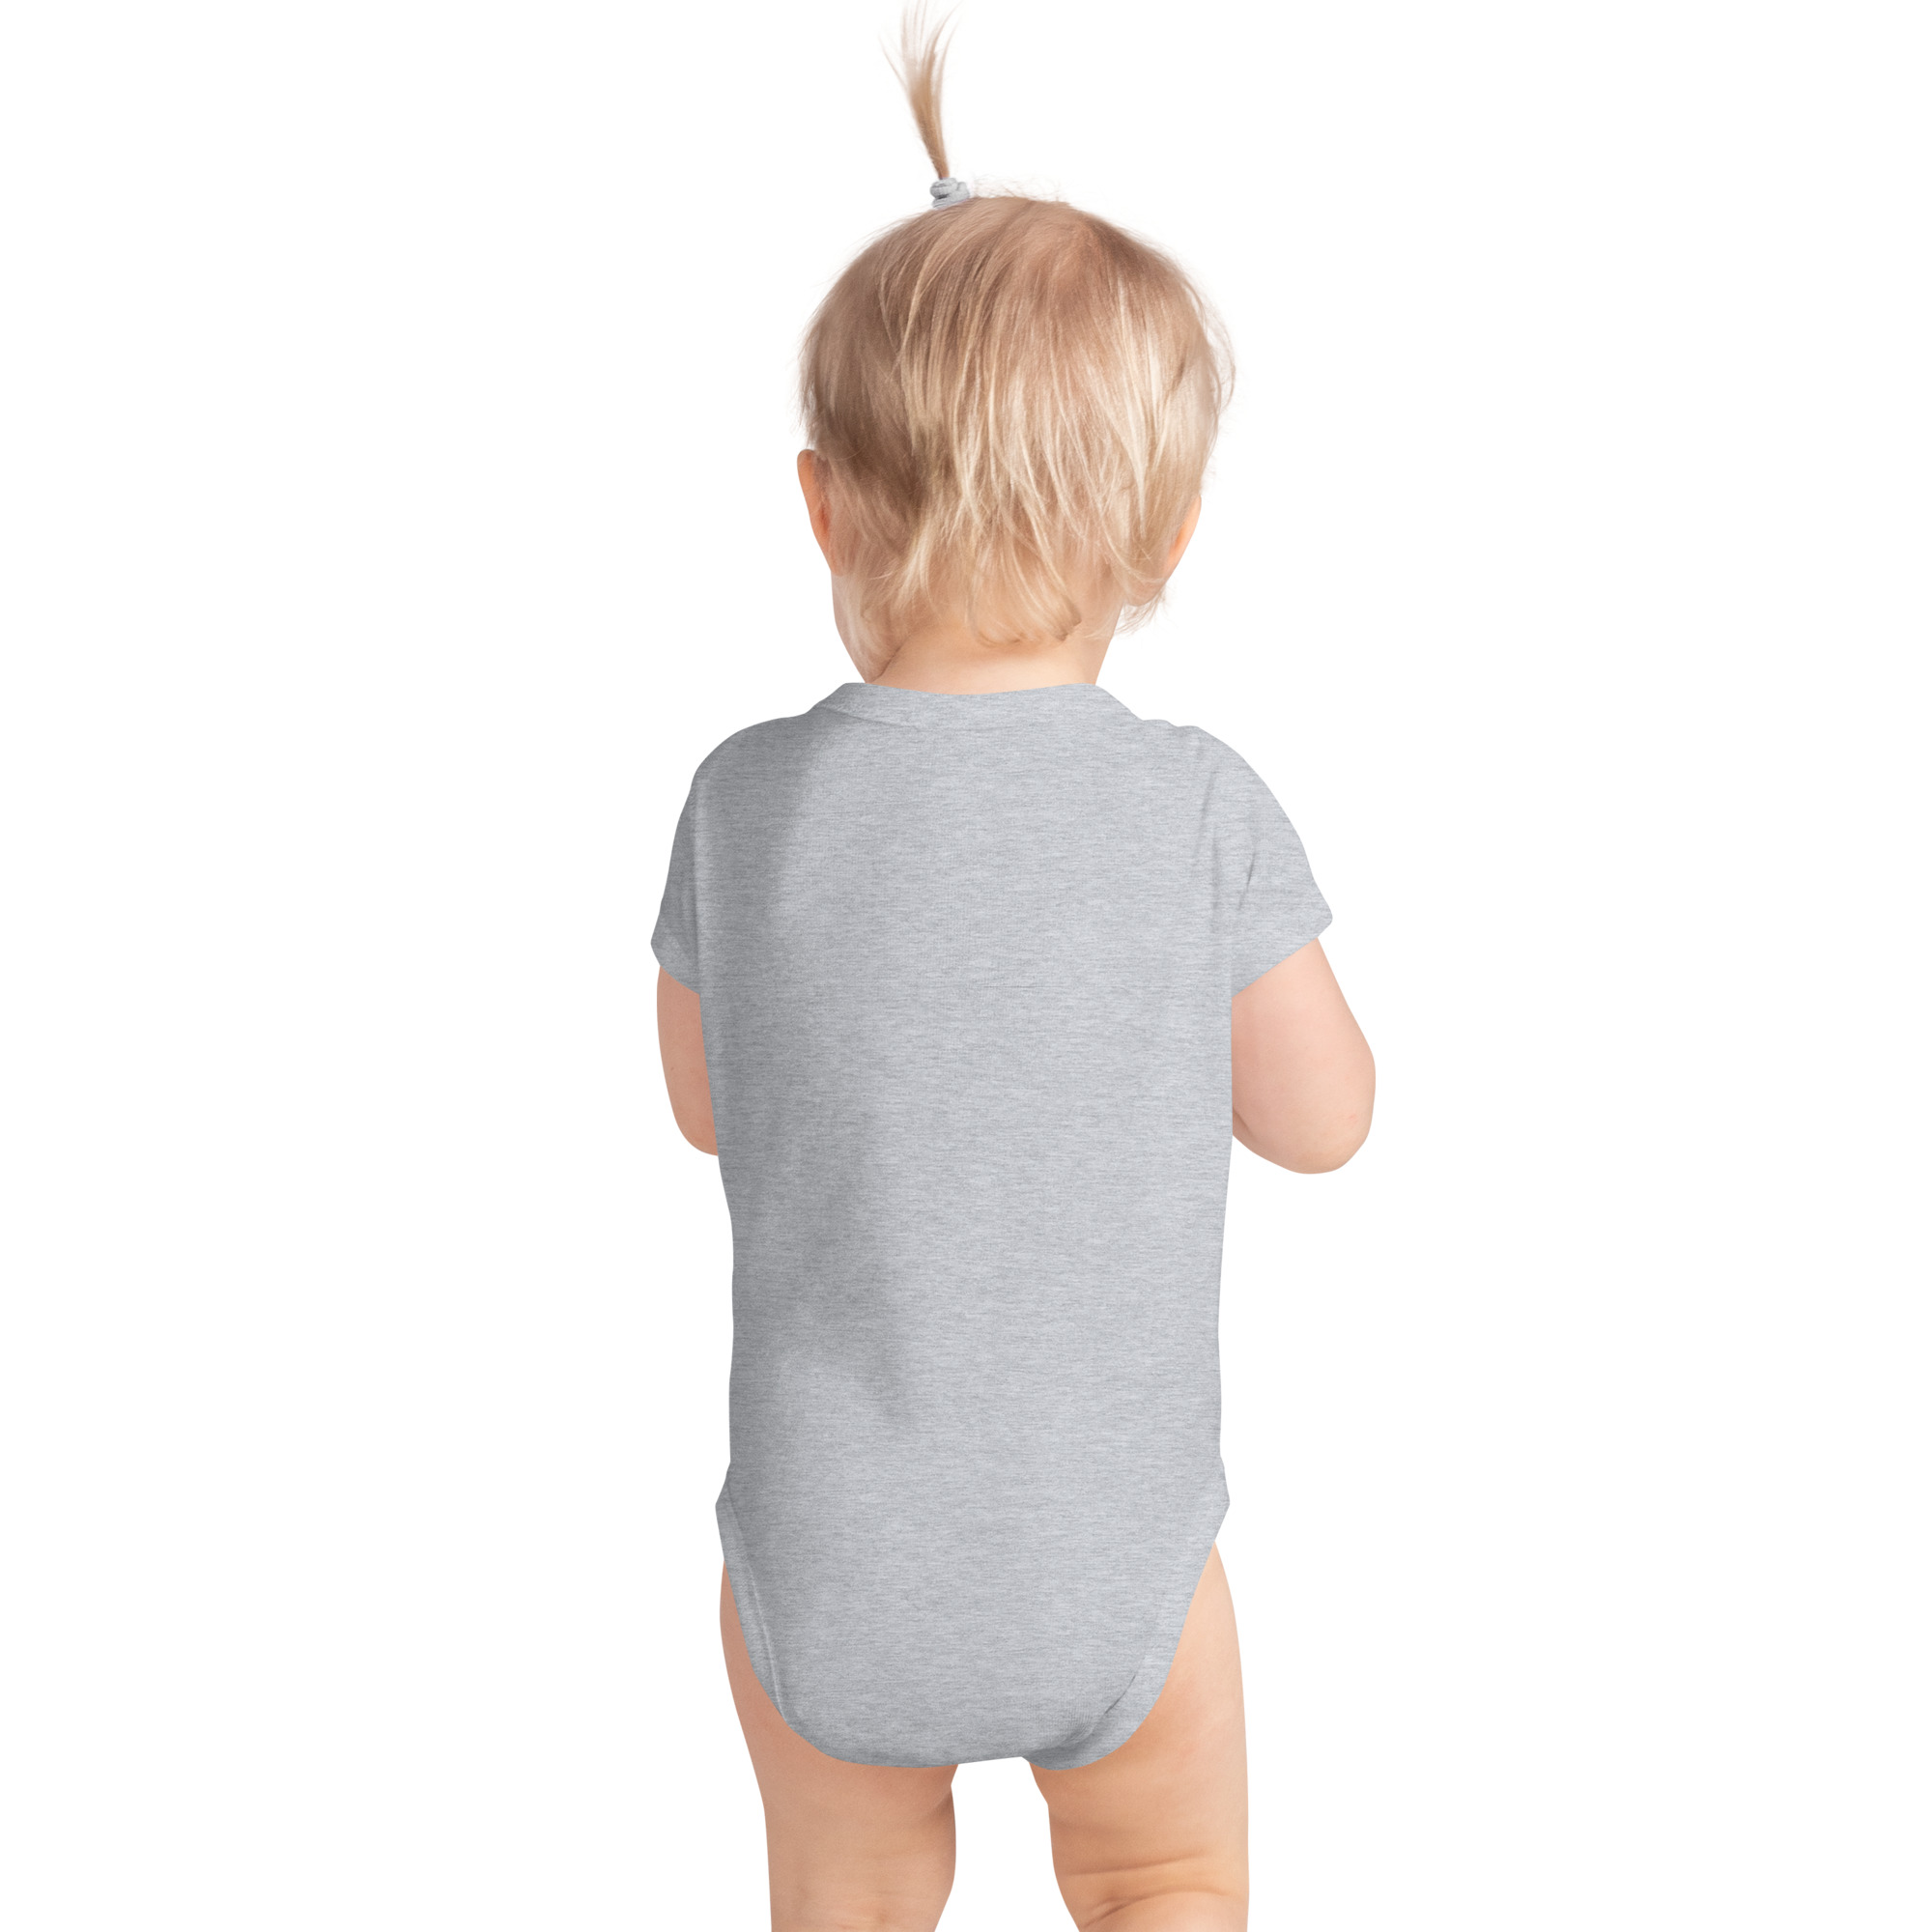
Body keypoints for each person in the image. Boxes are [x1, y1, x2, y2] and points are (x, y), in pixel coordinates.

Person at [654, 13, 1375, 1926]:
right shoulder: (1197, 804)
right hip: (1107, 1545)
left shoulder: (743, 802)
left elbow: (709, 1108)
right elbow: (1325, 1124)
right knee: (1162, 1876)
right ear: (1171, 532)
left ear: (822, 503)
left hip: (823, 1554)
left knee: (848, 1887)